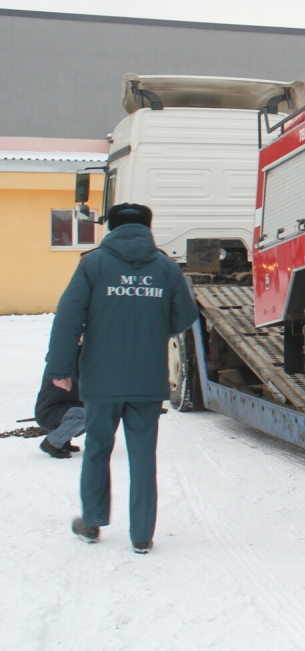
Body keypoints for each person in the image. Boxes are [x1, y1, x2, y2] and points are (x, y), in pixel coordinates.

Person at [44, 203, 199, 554]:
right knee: (144, 455)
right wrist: (153, 325)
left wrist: (60, 369)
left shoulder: (91, 264)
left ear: (111, 227)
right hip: (147, 379)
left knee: (98, 449)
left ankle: (92, 523)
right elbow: (185, 317)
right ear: (148, 226)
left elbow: (67, 319)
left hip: (101, 379)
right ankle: (142, 535)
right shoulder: (167, 268)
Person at [35, 375, 85, 459]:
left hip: (66, 409)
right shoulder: (59, 368)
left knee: (99, 412)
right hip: (49, 413)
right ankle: (51, 443)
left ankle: (64, 440)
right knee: (87, 414)